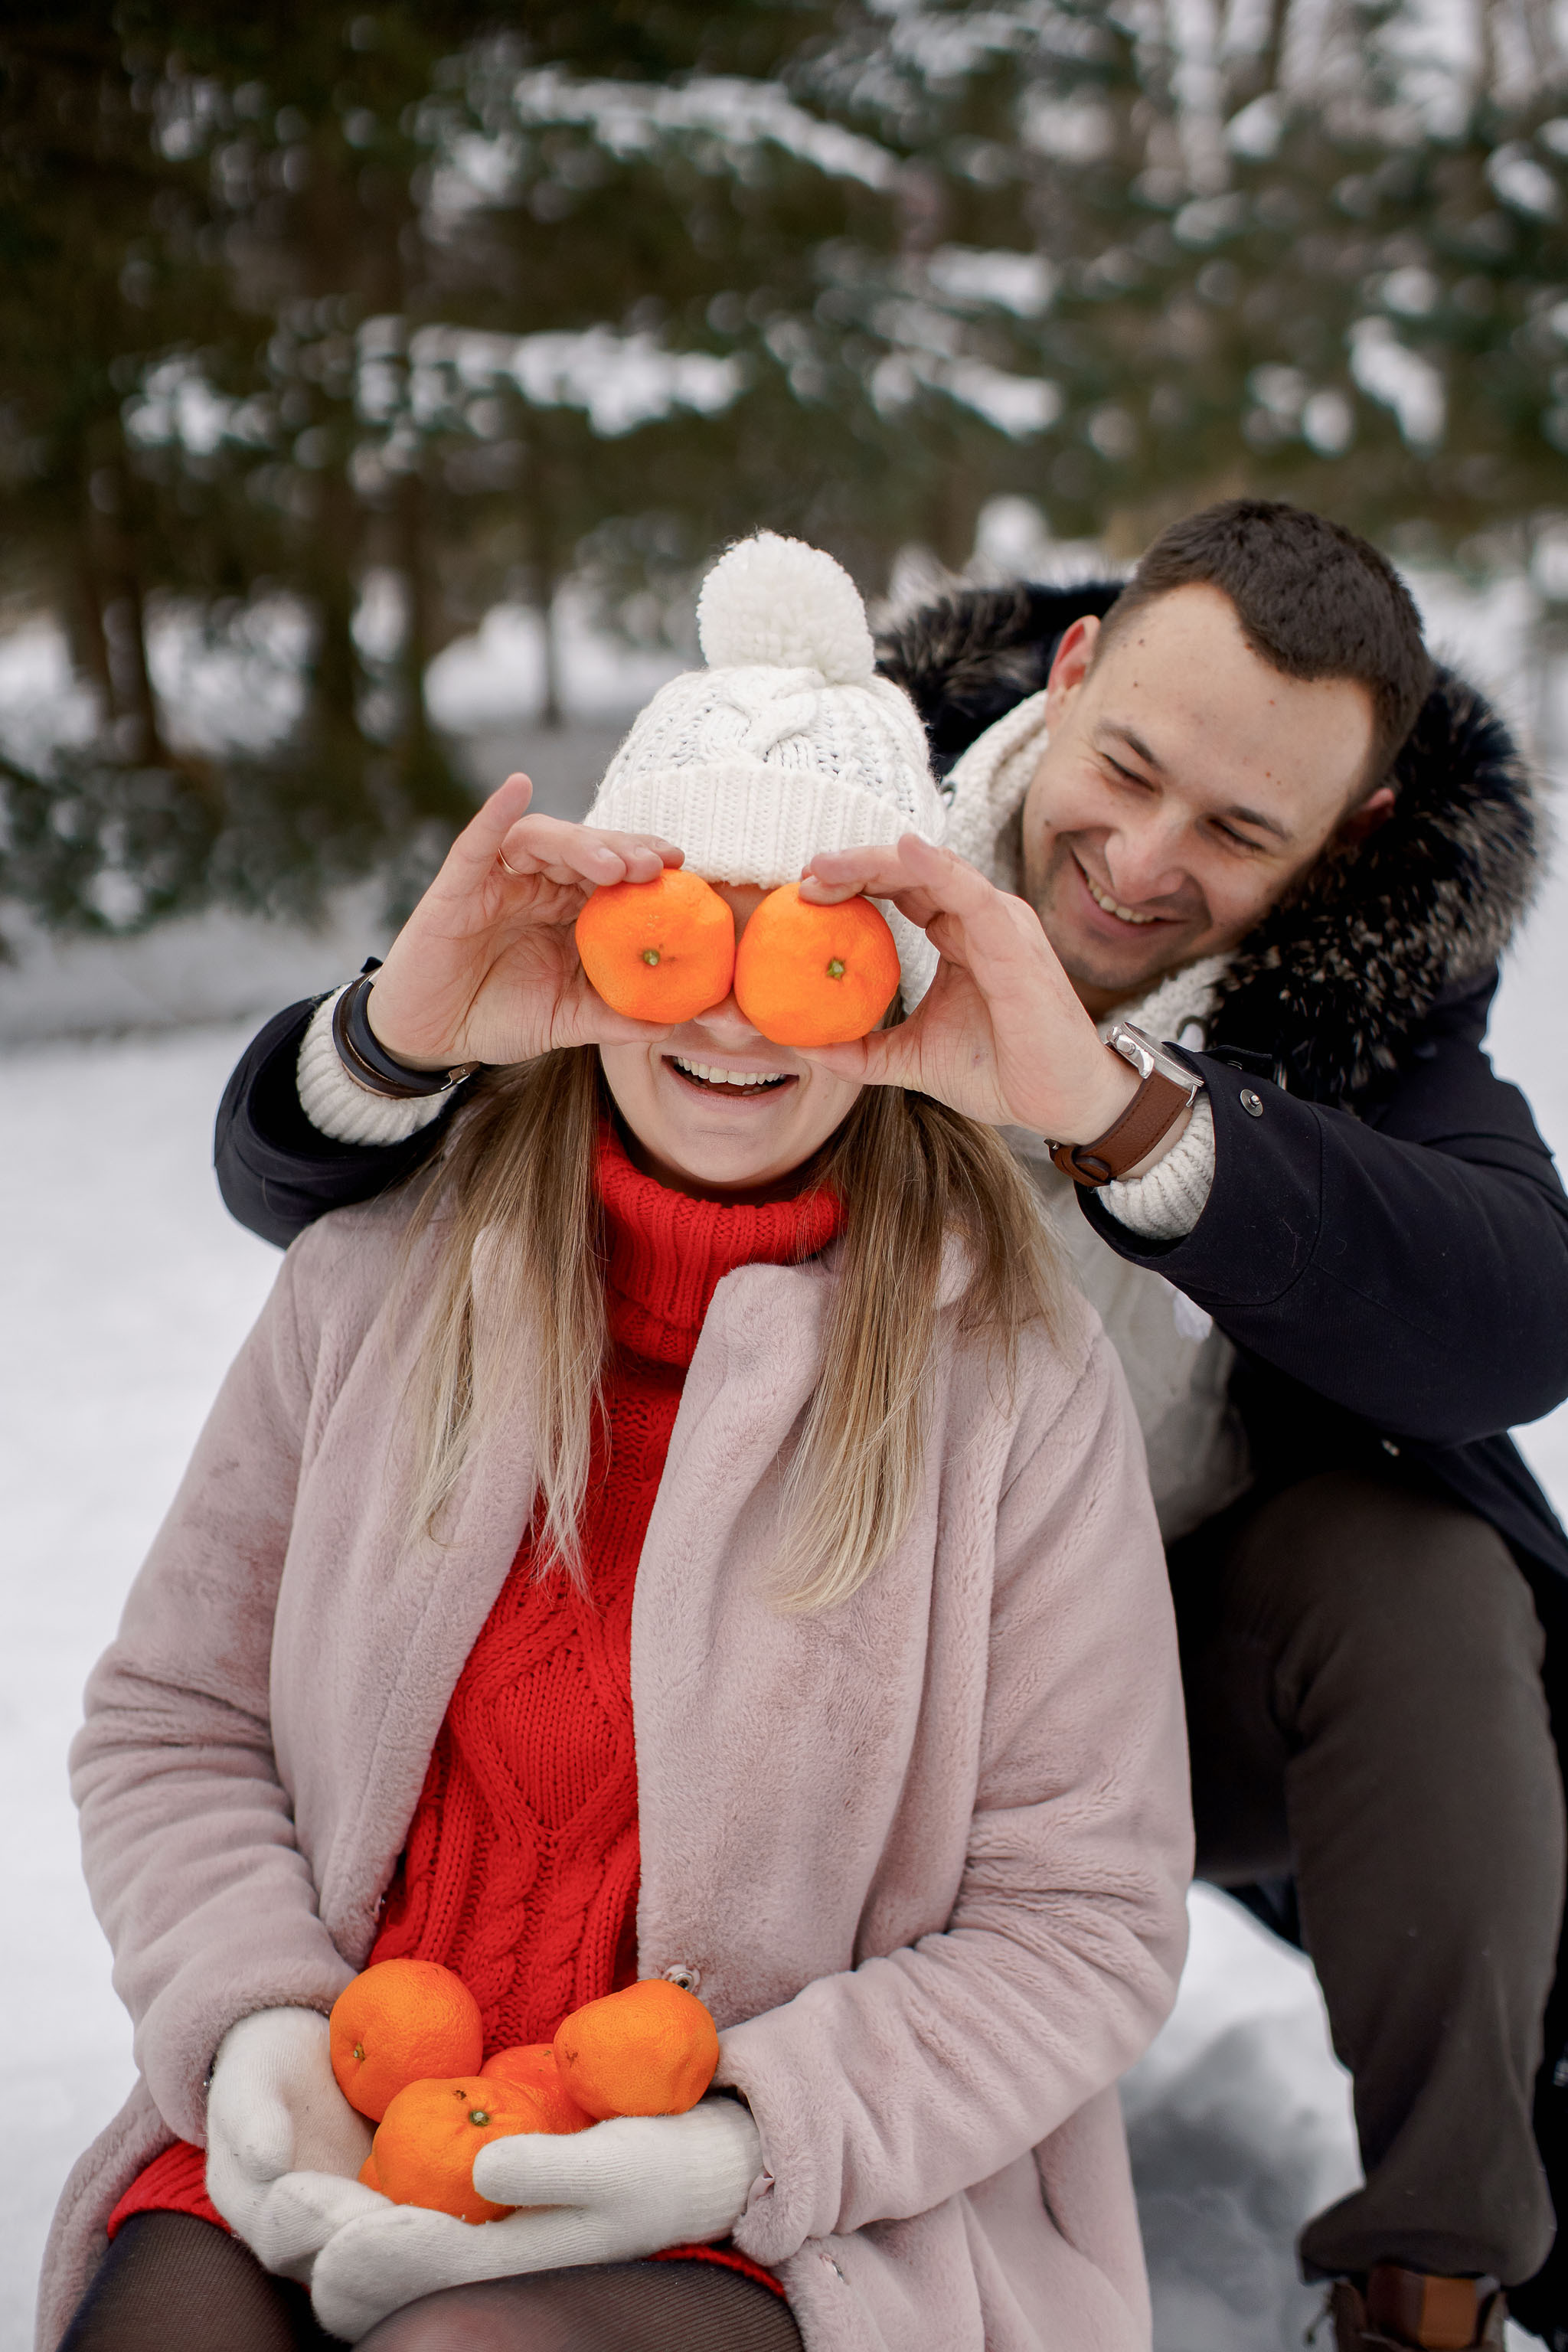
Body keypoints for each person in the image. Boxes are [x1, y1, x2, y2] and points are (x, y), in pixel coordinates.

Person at [203, 498, 1568, 2352]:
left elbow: (1511, 1316)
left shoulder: (1367, 1015)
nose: (1145, 860)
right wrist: (391, 1042)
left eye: (1240, 833)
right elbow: (326, 1172)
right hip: (794, 1634)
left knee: (1427, 1579)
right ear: (1070, 669)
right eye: (1131, 769)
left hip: (1147, 1663)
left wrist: (1121, 1115)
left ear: (1351, 840)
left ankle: (1430, 2272)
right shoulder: (801, 808)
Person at [39, 534, 1192, 2352]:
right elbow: (171, 1723)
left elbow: (1084, 1919)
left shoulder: (1007, 1387)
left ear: (888, 987)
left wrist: (739, 2144)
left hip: (778, 2206)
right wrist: (258, 2018)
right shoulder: (374, 1283)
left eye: (804, 950)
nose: (734, 1006)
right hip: (352, 2108)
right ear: (595, 944)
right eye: (683, 938)